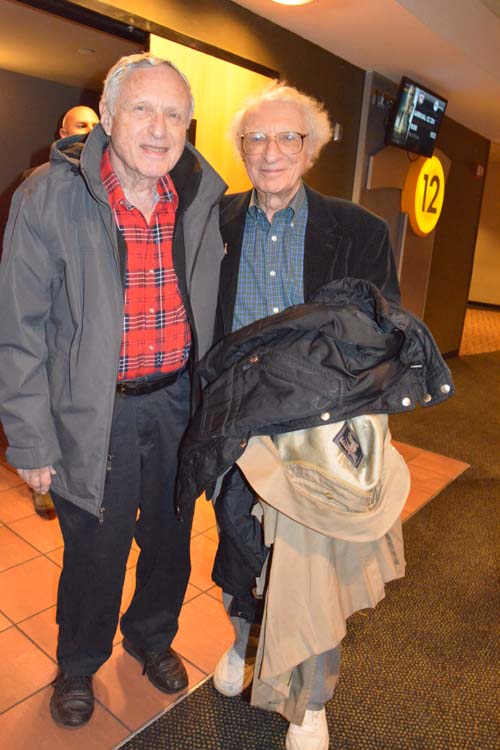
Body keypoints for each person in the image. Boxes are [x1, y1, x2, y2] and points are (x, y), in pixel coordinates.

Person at [0, 52, 226, 728]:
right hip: (92, 415)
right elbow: (19, 330)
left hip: (177, 405)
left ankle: (151, 637)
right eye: (143, 109)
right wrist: (31, 438)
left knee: (170, 539)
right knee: (94, 553)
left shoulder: (201, 196)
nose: (160, 129)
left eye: (175, 115)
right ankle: (78, 663)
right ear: (108, 115)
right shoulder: (50, 194)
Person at [212, 82, 403, 750]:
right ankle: (244, 639)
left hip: (320, 426)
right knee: (240, 545)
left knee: (312, 567)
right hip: (235, 421)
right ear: (241, 149)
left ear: (312, 148)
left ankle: (311, 702)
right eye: (256, 138)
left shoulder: (359, 231)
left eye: (287, 137)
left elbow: (382, 332)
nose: (270, 152)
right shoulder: (216, 224)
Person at [28, 108, 100, 521]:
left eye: (94, 125)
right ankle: (44, 486)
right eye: (80, 125)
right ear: (62, 133)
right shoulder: (41, 187)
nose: (89, 131)